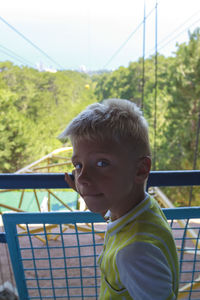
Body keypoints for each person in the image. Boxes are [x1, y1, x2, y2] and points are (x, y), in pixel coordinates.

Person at [59, 98, 179, 300]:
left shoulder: (134, 253)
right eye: (78, 165)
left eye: (102, 163)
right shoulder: (143, 208)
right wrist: (91, 193)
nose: (83, 178)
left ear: (141, 170)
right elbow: (117, 214)